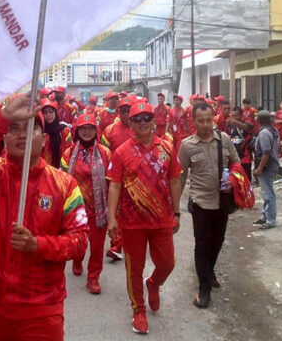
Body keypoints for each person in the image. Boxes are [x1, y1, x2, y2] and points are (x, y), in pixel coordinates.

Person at [0, 93, 88, 341]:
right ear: (4, 137)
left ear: (43, 138)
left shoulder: (65, 184)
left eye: (31, 128)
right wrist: (1, 119)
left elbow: (80, 240)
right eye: (13, 128)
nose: (22, 134)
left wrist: (38, 245)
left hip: (41, 310)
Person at [108, 102, 181, 335]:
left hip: (162, 219)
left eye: (147, 117)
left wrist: (177, 212)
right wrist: (112, 218)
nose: (142, 122)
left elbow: (174, 181)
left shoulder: (167, 147)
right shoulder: (121, 152)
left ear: (154, 120)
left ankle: (154, 284)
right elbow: (115, 186)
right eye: (137, 118)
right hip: (132, 223)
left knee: (168, 263)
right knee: (134, 270)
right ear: (130, 123)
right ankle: (138, 310)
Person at [178, 102, 241, 309]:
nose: (206, 125)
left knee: (218, 241)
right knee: (202, 245)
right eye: (201, 121)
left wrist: (233, 182)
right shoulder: (187, 145)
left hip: (221, 202)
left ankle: (210, 270)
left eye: (209, 120)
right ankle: (203, 288)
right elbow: (180, 177)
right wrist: (174, 208)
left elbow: (236, 164)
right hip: (200, 203)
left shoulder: (223, 140)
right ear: (193, 121)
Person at [60, 113, 111, 295]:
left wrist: (113, 209)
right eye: (83, 129)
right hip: (76, 209)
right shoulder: (68, 154)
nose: (87, 132)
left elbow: (112, 182)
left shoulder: (105, 153)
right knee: (79, 245)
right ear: (77, 131)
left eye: (90, 128)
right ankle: (77, 259)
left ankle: (93, 277)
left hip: (98, 209)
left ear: (95, 131)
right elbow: (62, 181)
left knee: (97, 246)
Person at [253, 111, 279, 230]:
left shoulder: (264, 133)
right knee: (266, 192)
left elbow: (266, 153)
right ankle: (264, 216)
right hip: (272, 165)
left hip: (267, 166)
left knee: (268, 194)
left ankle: (270, 220)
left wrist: (259, 168)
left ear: (259, 121)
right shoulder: (274, 131)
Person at [40, 99, 72, 168]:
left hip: (62, 166)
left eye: (51, 112)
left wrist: (64, 167)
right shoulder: (40, 131)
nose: (48, 115)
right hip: (45, 168)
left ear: (55, 113)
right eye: (45, 113)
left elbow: (69, 150)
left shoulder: (64, 130)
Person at [226, 106, 254, 181]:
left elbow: (246, 128)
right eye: (232, 115)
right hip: (235, 158)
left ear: (241, 115)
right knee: (237, 180)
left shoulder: (248, 124)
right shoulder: (231, 125)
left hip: (245, 158)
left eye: (236, 115)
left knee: (246, 180)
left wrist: (234, 122)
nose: (234, 117)